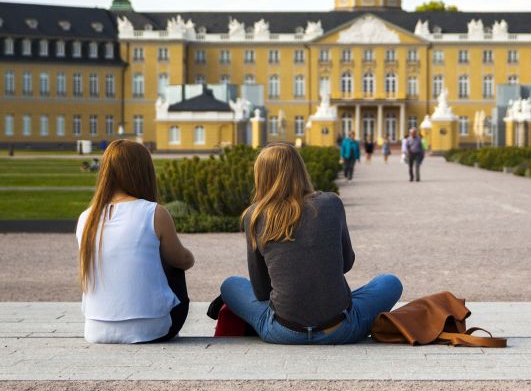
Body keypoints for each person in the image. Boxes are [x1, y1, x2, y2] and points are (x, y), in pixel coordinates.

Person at [219, 143, 402, 344]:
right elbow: (346, 263)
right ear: (299, 169)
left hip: (282, 331)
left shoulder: (254, 215)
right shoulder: (331, 203)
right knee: (390, 282)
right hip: (339, 329)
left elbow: (261, 290)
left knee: (231, 284)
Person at [75, 140, 194, 344]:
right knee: (171, 260)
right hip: (153, 329)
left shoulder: (86, 217)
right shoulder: (154, 212)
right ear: (143, 172)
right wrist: (189, 257)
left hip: (95, 329)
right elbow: (182, 260)